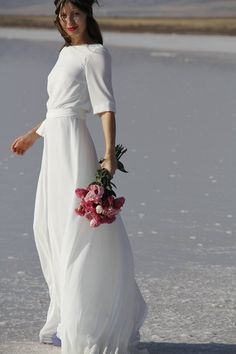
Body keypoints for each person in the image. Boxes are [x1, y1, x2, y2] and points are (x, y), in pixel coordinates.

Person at [10, 1, 149, 353]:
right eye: (63, 16)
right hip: (54, 147)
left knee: (78, 232)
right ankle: (66, 318)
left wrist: (108, 154)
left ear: (88, 15)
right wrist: (32, 135)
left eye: (75, 14)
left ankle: (85, 325)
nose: (69, 21)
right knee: (50, 227)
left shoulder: (95, 53)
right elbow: (57, 108)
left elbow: (105, 106)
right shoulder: (65, 53)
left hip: (74, 148)